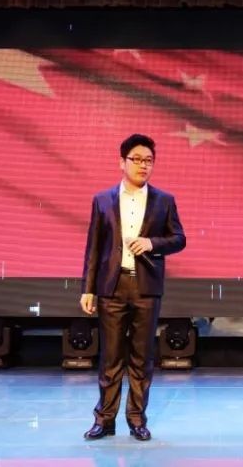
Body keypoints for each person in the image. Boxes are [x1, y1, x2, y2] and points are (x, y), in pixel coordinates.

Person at [80, 133, 186, 441]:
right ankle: (104, 420)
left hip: (145, 287)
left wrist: (152, 243)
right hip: (111, 287)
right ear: (122, 162)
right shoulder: (102, 200)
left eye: (149, 161)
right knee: (110, 358)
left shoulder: (164, 200)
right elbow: (94, 248)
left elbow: (179, 239)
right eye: (137, 159)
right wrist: (88, 289)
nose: (143, 165)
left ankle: (137, 419)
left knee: (141, 358)